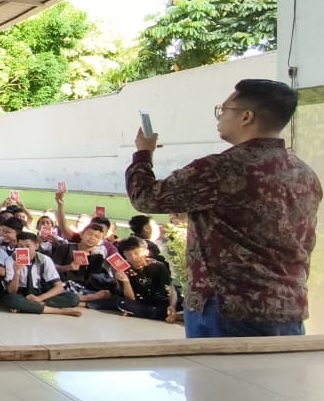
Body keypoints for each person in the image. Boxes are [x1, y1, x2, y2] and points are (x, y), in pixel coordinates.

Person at [127, 79, 321, 338]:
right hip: (289, 308)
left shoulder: (220, 169)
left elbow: (146, 198)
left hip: (227, 310)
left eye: (224, 109)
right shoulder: (304, 174)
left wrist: (143, 154)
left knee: (216, 380)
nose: (219, 117)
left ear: (246, 117)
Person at [0, 232, 82, 317]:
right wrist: (17, 272)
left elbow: (59, 287)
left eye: (28, 246)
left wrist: (40, 298)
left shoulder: (45, 260)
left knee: (73, 298)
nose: (24, 249)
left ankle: (32, 306)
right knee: (11, 300)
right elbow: (11, 291)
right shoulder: (11, 260)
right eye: (20, 246)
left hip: (40, 292)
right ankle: (58, 311)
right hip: (21, 293)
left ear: (36, 246)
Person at [113, 237, 179, 322]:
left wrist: (172, 306)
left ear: (145, 251)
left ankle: (156, 313)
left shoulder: (157, 266)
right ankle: (159, 314)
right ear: (124, 255)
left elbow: (170, 288)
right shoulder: (123, 270)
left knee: (180, 302)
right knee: (123, 303)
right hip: (138, 302)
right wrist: (126, 281)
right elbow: (130, 298)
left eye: (136, 253)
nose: (133, 257)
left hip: (158, 299)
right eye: (128, 254)